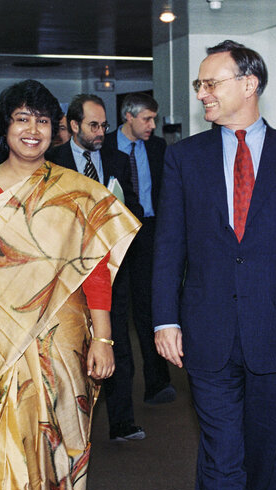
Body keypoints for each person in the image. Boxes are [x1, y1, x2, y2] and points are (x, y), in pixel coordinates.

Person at [152, 40, 276, 490]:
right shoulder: (183, 158)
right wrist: (164, 319)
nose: (202, 93)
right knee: (222, 455)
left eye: (211, 83)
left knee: (265, 458)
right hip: (206, 331)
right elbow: (169, 245)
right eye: (200, 84)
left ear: (249, 84)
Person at [0, 79, 140, 490]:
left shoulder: (79, 191)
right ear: (5, 127)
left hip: (59, 338)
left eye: (43, 120)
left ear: (57, 129)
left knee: (56, 443)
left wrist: (103, 340)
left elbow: (95, 274)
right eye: (22, 119)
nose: (33, 129)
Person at [46, 93, 145, 440]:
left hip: (111, 267)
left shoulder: (116, 158)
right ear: (73, 126)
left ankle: (122, 422)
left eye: (104, 125)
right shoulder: (52, 161)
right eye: (93, 125)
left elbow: (132, 206)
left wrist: (117, 212)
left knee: (115, 340)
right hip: (67, 270)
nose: (101, 132)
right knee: (70, 345)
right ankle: (66, 426)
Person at [101, 93, 174, 441]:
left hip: (152, 232)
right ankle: (117, 396)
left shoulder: (159, 149)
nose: (152, 125)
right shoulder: (104, 149)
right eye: (146, 119)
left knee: (150, 305)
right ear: (128, 117)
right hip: (118, 235)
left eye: (154, 119)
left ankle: (157, 383)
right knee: (118, 309)